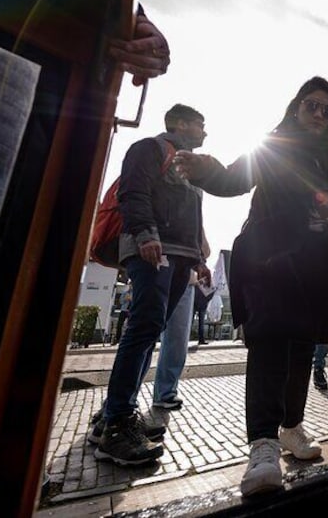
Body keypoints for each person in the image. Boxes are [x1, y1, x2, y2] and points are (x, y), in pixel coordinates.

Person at [173, 77, 328, 497]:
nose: (319, 115)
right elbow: (234, 178)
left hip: (315, 265)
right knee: (272, 340)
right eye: (312, 106)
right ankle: (263, 446)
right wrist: (206, 171)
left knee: (302, 347)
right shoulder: (274, 145)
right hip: (270, 258)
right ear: (296, 108)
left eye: (327, 111)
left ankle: (291, 428)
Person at [91, 103, 211, 466]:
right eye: (199, 124)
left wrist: (199, 259)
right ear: (178, 122)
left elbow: (193, 217)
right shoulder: (150, 148)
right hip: (151, 249)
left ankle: (111, 415)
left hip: (180, 256)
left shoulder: (192, 165)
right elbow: (133, 193)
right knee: (142, 327)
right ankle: (116, 425)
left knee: (151, 328)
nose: (205, 132)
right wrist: (144, 234)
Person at [150, 272, 197, 410]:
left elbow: (204, 250)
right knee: (142, 336)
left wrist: (201, 263)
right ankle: (119, 402)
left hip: (186, 277)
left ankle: (165, 392)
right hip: (156, 269)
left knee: (178, 339)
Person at [194, 275, 216, 345]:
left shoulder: (200, 274)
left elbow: (212, 290)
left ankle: (200, 339)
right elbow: (213, 290)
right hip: (200, 302)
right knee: (200, 322)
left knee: (195, 322)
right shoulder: (205, 275)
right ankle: (201, 339)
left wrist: (206, 299)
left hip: (198, 302)